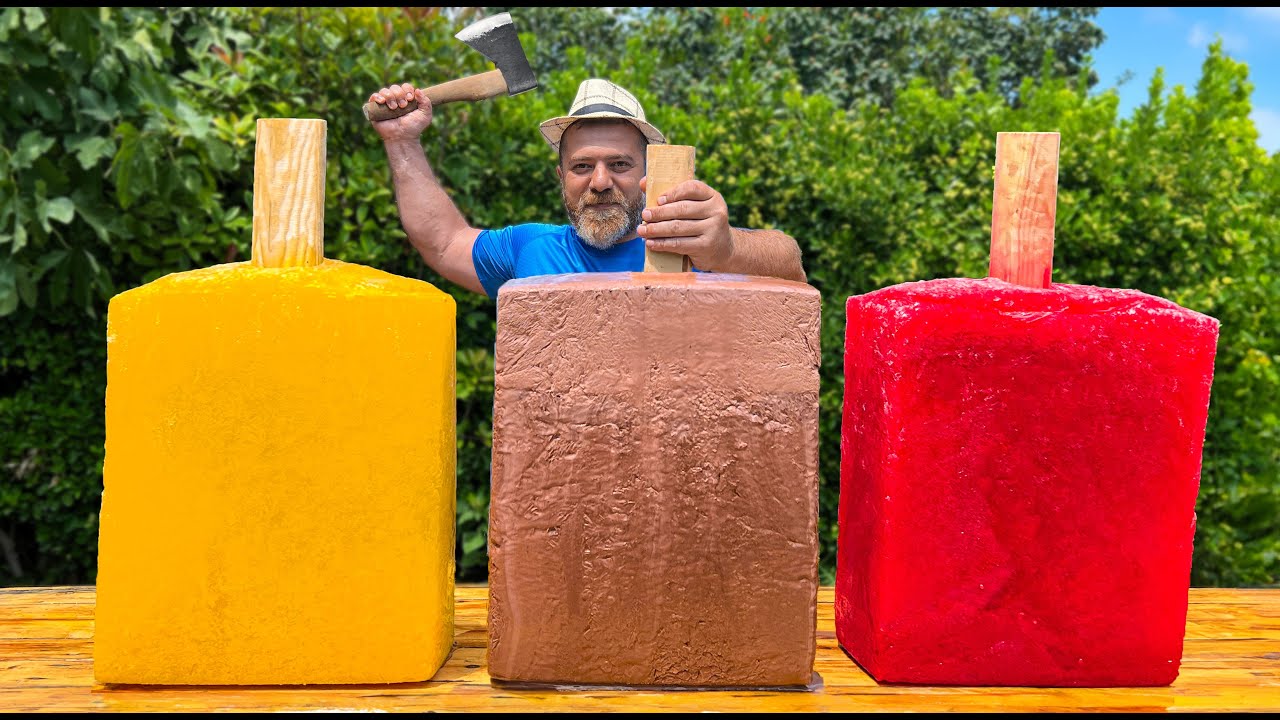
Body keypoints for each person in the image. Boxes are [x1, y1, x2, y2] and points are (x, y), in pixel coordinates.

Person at [368, 78, 806, 297]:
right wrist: (402, 141)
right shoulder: (529, 248)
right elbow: (443, 243)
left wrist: (727, 249)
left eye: (618, 164)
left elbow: (791, 266)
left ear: (647, 173)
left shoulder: (689, 246)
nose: (599, 182)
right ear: (562, 178)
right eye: (582, 166)